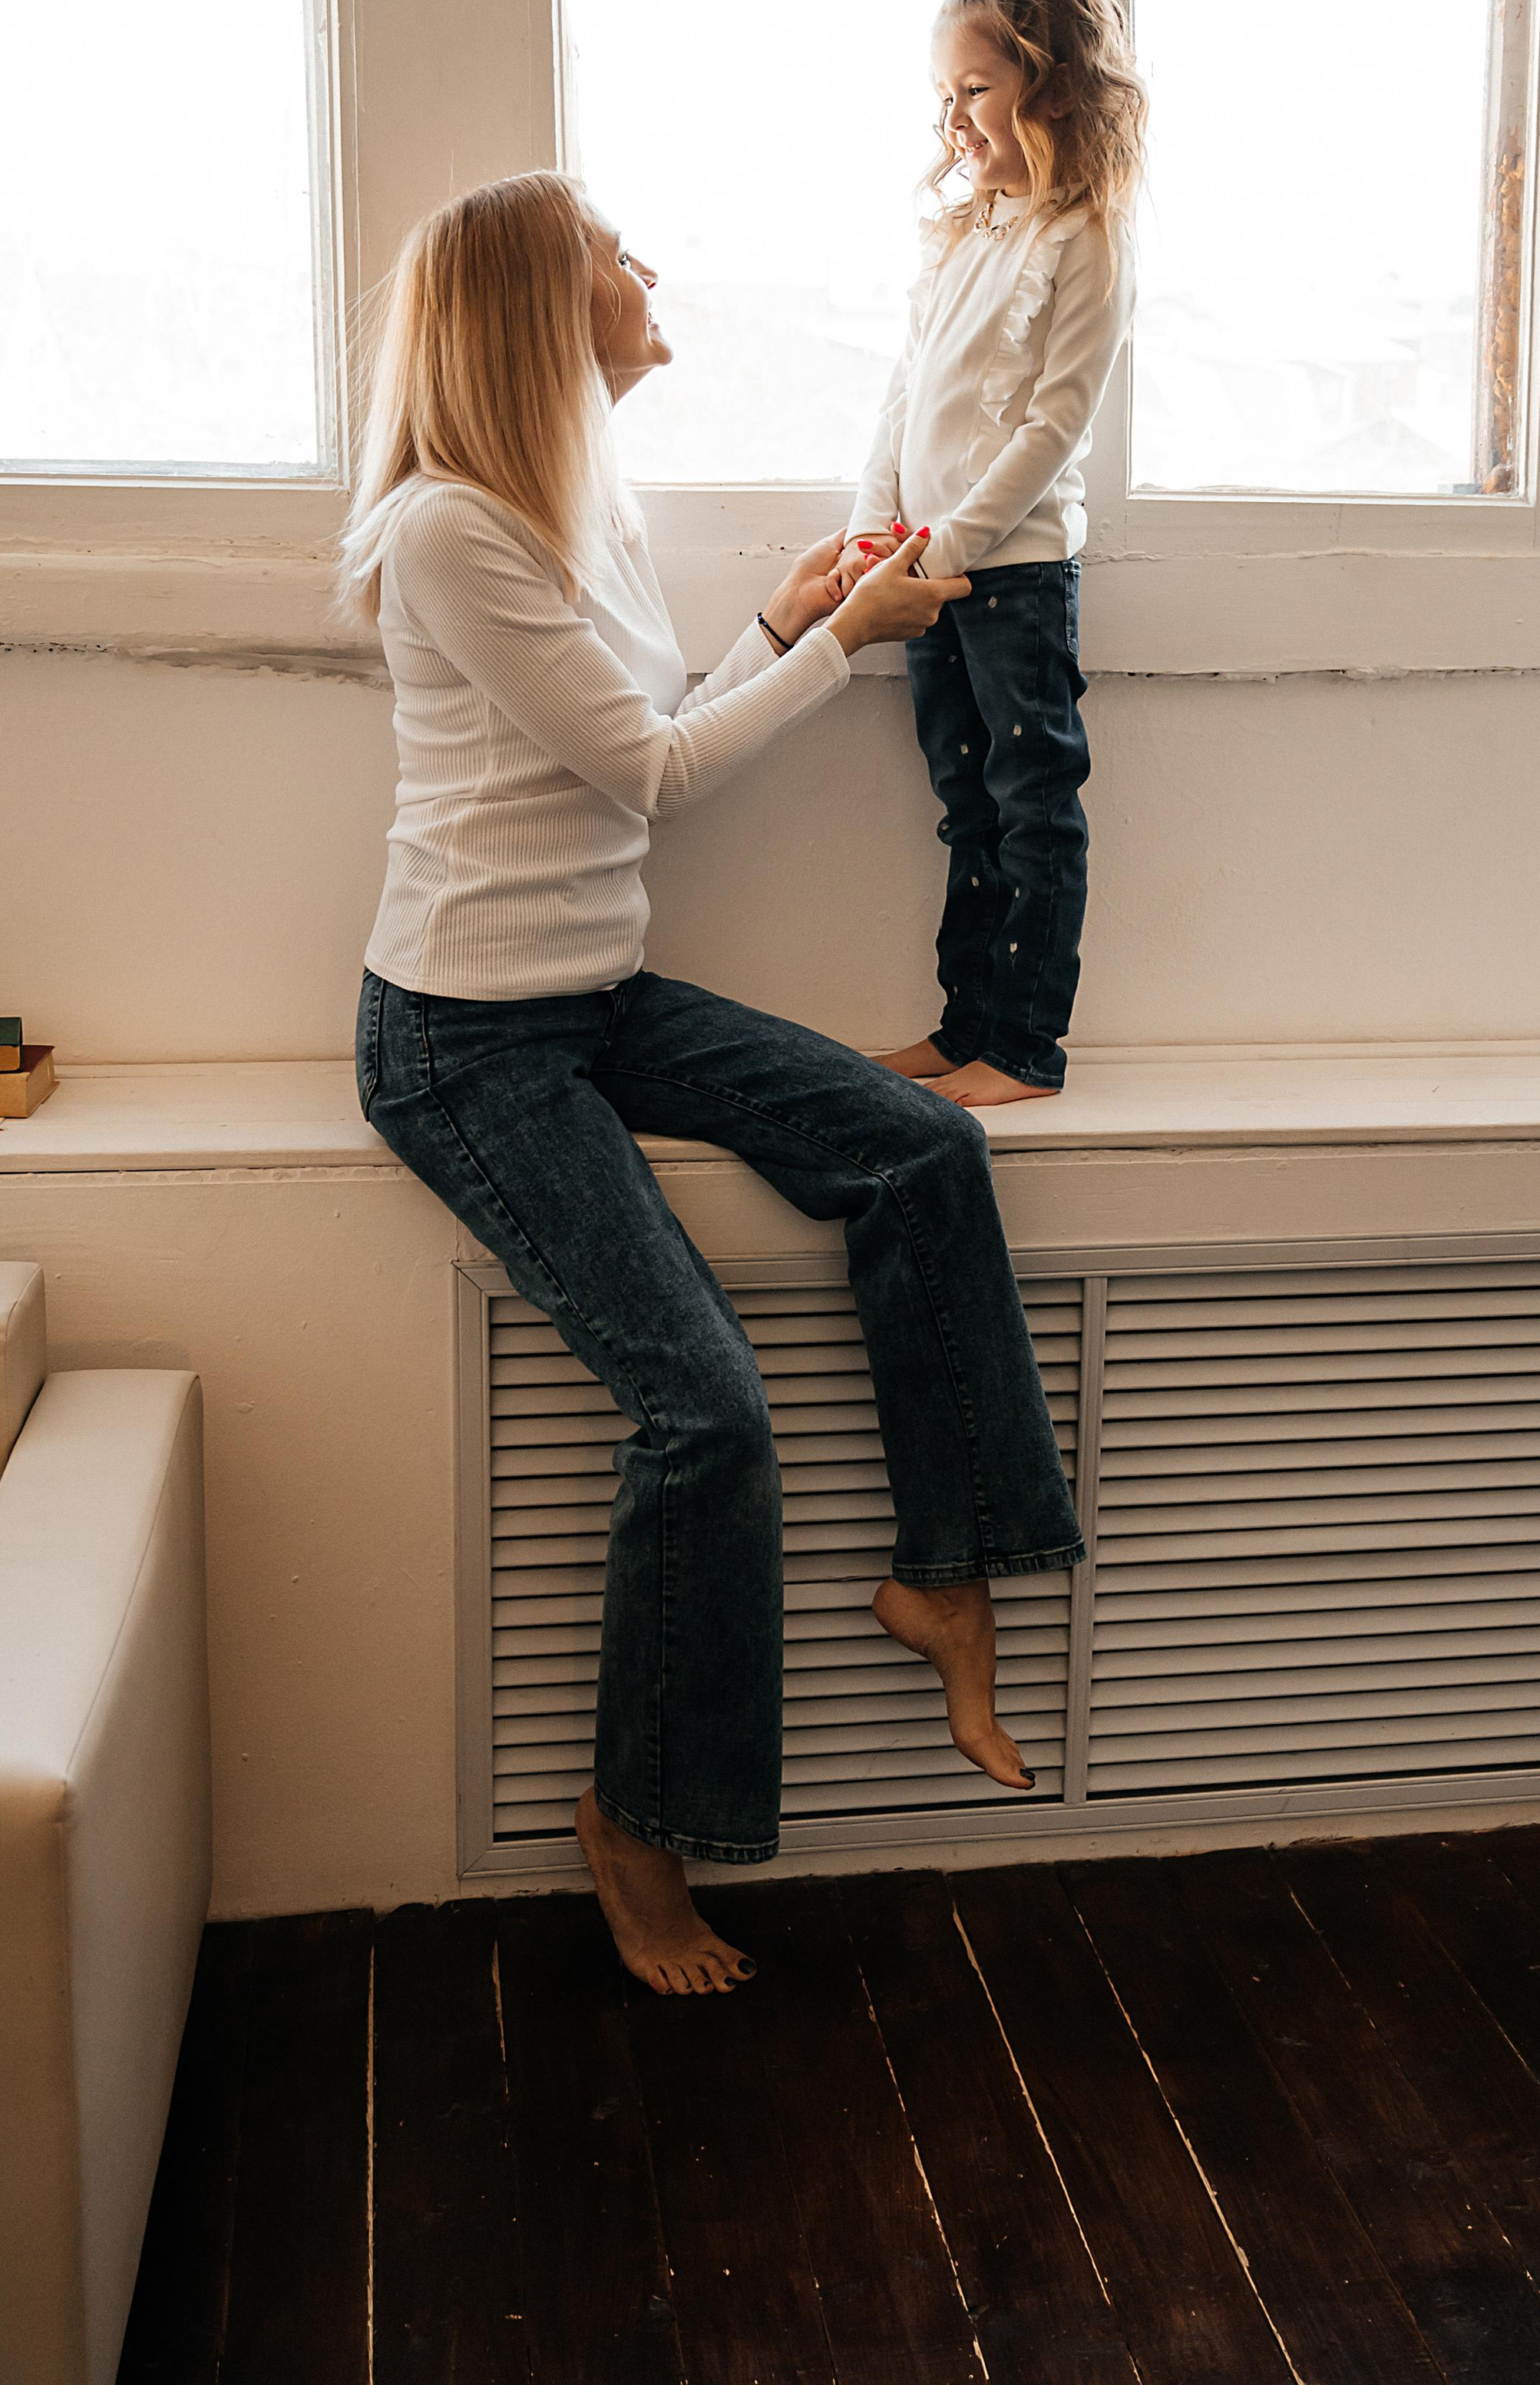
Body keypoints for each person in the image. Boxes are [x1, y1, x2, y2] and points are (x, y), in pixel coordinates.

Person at [339, 171, 1084, 1995]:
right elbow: (649, 777)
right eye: (609, 250)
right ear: (533, 304)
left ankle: (946, 1574)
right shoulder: (444, 529)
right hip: (462, 1037)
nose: (643, 268)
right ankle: (633, 1823)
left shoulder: (567, 502)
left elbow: (655, 714)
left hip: (593, 994)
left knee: (917, 1146)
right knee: (706, 1411)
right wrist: (840, 646)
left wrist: (775, 623)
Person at [842, 0, 1147, 1105]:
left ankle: (1023, 1046)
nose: (955, 119)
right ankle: (964, 1022)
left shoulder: (1088, 239)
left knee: (1034, 809)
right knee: (964, 804)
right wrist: (877, 529)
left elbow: (1052, 428)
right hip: (923, 570)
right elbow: (906, 392)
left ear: (1051, 85)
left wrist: (948, 547)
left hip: (1006, 576)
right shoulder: (966, 233)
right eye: (945, 97)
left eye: (975, 90)